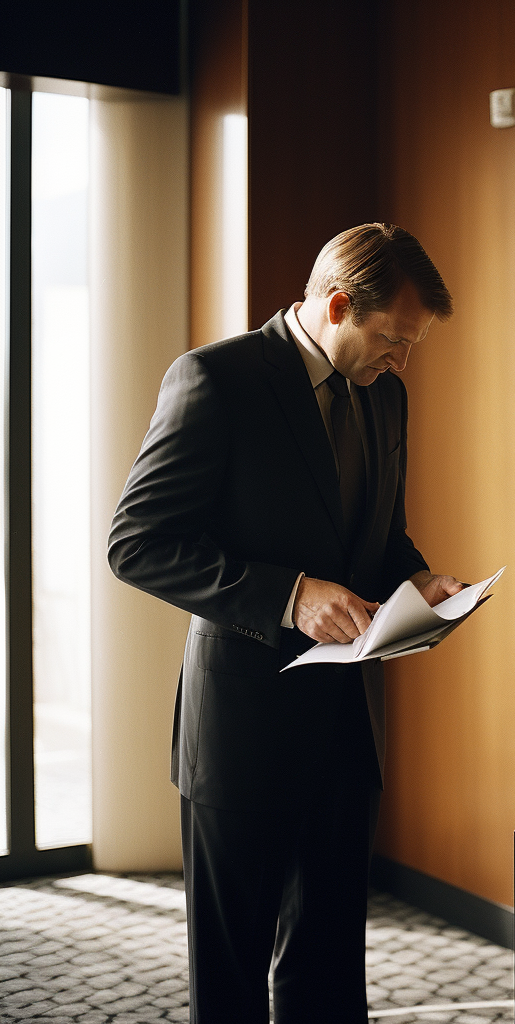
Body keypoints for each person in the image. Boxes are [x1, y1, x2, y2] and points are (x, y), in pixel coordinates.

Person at [108, 223, 461, 1023]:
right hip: (242, 729)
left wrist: (419, 579)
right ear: (337, 305)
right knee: (231, 979)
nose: (402, 362)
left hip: (349, 727)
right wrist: (290, 595)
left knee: (331, 969)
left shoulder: (387, 394)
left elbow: (376, 536)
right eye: (394, 341)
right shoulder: (214, 380)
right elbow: (137, 544)